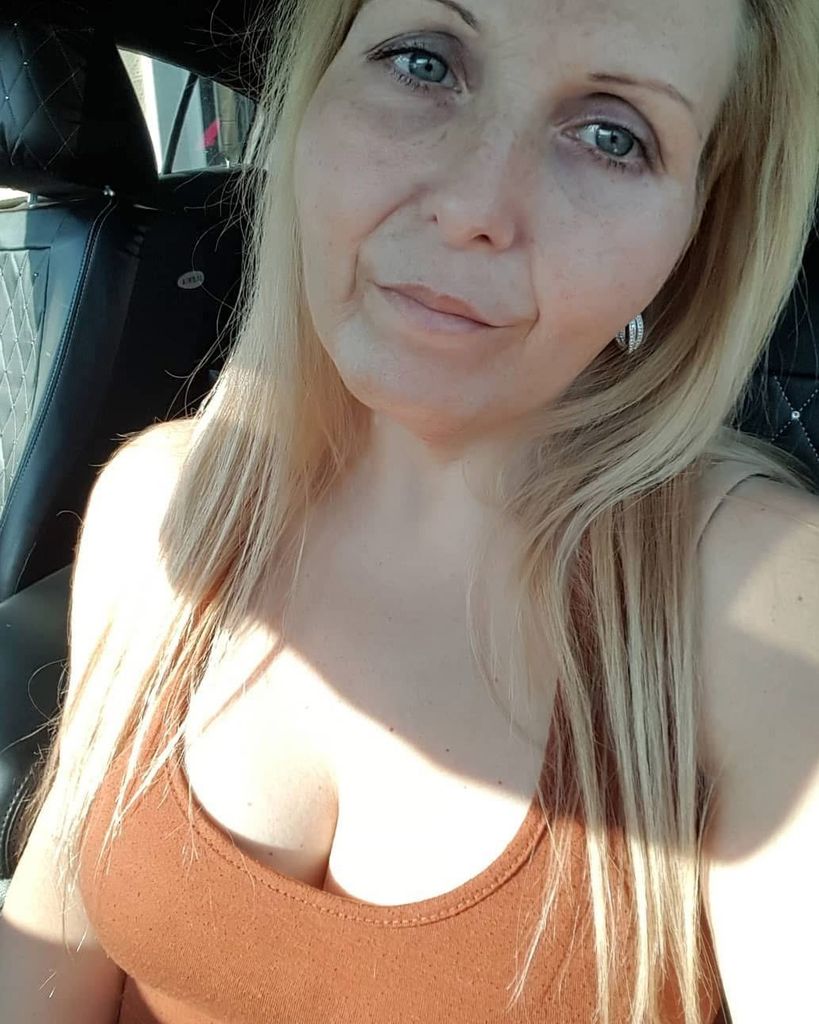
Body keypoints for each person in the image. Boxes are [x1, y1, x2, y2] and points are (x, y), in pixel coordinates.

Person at [3, 0, 819, 1021]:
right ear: (313, 95)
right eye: (423, 62)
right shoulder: (157, 509)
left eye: (613, 136)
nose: (474, 202)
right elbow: (47, 956)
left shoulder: (766, 608)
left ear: (697, 230)